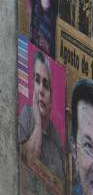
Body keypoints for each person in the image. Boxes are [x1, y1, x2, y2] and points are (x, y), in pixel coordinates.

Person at [18, 50, 66, 180]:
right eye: (37, 80)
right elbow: (22, 161)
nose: (40, 90)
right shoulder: (26, 115)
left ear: (52, 98)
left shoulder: (56, 141)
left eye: (45, 84)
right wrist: (38, 126)